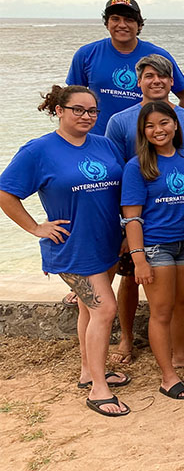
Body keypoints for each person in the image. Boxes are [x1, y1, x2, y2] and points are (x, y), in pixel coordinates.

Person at [0, 86, 129, 417]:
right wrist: (35, 227)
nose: (86, 116)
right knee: (104, 310)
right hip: (71, 247)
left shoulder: (106, 145)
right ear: (59, 110)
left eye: (92, 111)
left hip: (107, 243)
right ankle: (99, 390)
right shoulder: (39, 150)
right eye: (78, 110)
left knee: (89, 311)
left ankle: (89, 372)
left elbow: (123, 193)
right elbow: (6, 192)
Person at [104, 53, 184, 365]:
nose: (156, 81)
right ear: (139, 82)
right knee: (132, 282)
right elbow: (113, 175)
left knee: (181, 300)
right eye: (149, 76)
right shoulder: (120, 122)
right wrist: (127, 234)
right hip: (144, 227)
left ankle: (180, 353)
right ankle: (127, 338)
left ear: (172, 81)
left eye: (163, 76)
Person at [121, 101, 184, 400]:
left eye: (163, 123)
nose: (157, 130)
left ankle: (181, 356)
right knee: (161, 311)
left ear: (175, 124)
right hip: (155, 246)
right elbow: (132, 217)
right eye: (150, 126)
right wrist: (139, 260)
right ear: (143, 132)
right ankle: (168, 377)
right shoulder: (137, 167)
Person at [66, 0, 184, 133]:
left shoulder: (158, 56)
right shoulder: (86, 54)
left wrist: (173, 128)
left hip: (145, 141)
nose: (122, 25)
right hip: (98, 141)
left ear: (139, 25)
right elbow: (71, 101)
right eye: (115, 19)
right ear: (107, 23)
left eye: (129, 20)